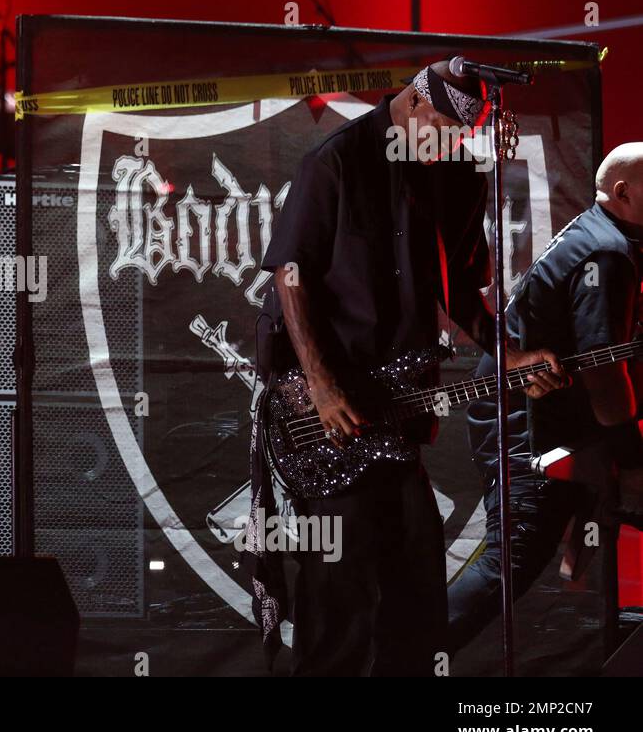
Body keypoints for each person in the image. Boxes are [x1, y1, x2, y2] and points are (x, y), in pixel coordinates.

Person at [249, 58, 566, 675]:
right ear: (416, 104)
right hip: (326, 399)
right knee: (338, 594)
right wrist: (322, 385)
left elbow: (462, 286)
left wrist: (510, 352)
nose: (449, 146)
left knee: (418, 585)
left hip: (394, 412)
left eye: (459, 138)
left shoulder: (447, 172)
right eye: (444, 131)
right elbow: (291, 276)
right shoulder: (336, 161)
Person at [450, 143, 643, 652]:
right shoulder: (606, 251)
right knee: (508, 563)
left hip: (544, 427)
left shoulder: (602, 235)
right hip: (530, 432)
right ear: (623, 192)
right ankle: (404, 658)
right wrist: (630, 462)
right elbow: (604, 372)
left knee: (514, 562)